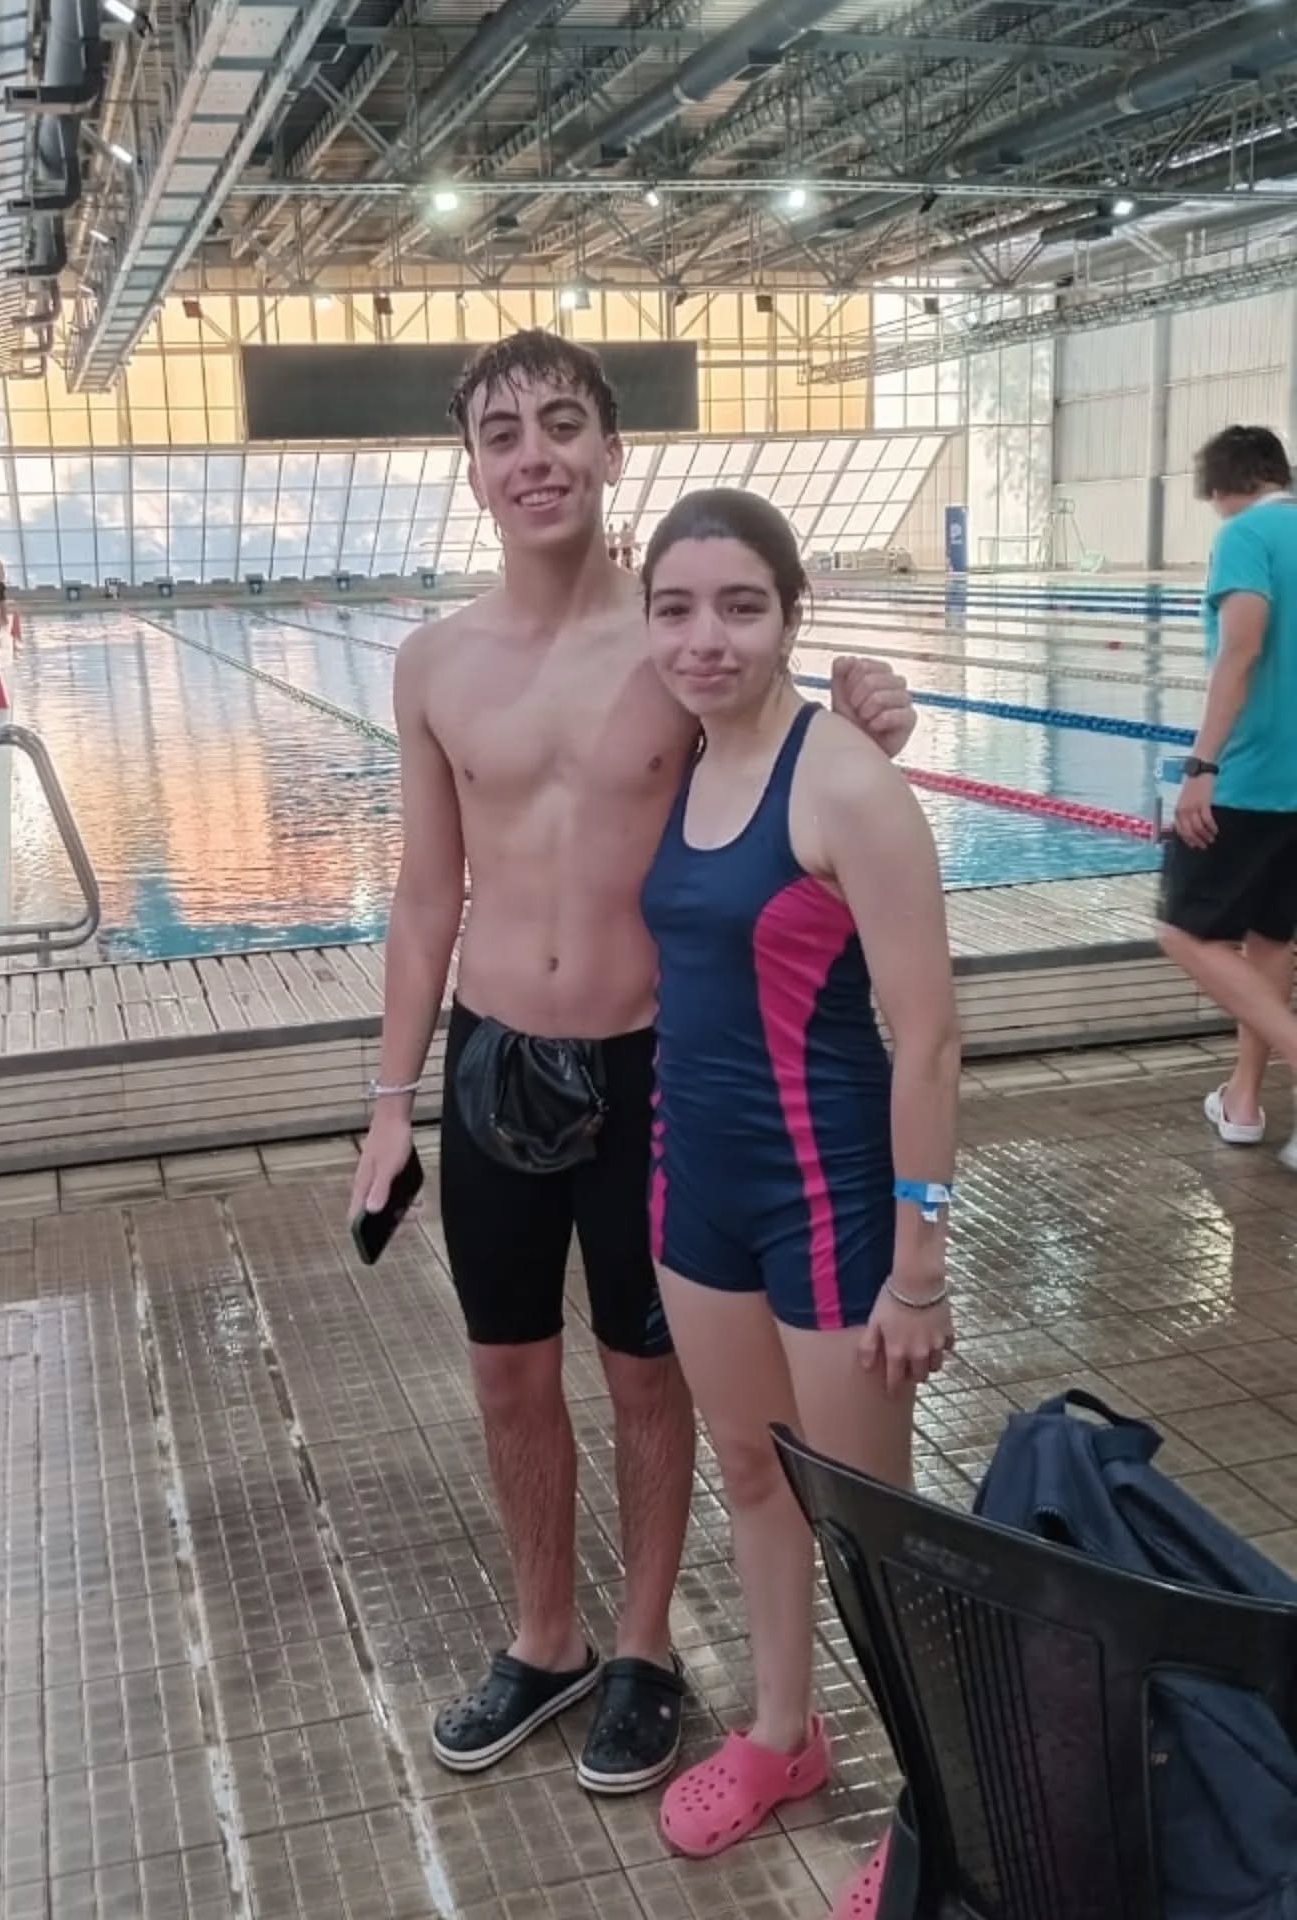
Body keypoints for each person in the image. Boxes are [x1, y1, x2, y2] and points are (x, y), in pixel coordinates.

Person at [349, 328, 917, 1796]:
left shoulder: (674, 646)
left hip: (654, 1067)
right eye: (502, 434)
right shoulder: (432, 664)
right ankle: (547, 1639)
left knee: (647, 1377)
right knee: (504, 1372)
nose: (533, 455)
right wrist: (388, 1104)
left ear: (612, 450)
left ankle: (647, 1646)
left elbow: (791, 751)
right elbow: (425, 894)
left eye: (562, 423)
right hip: (492, 1062)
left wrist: (867, 705)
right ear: (471, 470)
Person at [631, 488, 958, 1864]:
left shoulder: (845, 782)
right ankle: (782, 1732)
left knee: (871, 1530)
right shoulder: (678, 754)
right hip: (692, 1188)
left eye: (741, 607)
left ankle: (943, 1815)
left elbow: (928, 1035)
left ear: (791, 615)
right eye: (677, 609)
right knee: (754, 1475)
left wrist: (921, 1264)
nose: (706, 638)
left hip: (830, 1204)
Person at [1156, 425, 1297, 1172]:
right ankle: (1243, 1102)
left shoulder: (1246, 535)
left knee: (1183, 930)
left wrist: (1202, 765)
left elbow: (1241, 646)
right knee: (1271, 939)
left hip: (1251, 775)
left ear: (1220, 487)